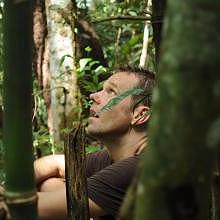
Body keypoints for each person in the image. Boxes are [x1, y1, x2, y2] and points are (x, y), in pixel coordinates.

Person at [35, 66, 155, 220]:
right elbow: (54, 164)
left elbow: (25, 207)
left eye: (111, 92)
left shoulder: (140, 169)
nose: (93, 95)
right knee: (50, 185)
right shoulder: (114, 158)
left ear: (140, 114)